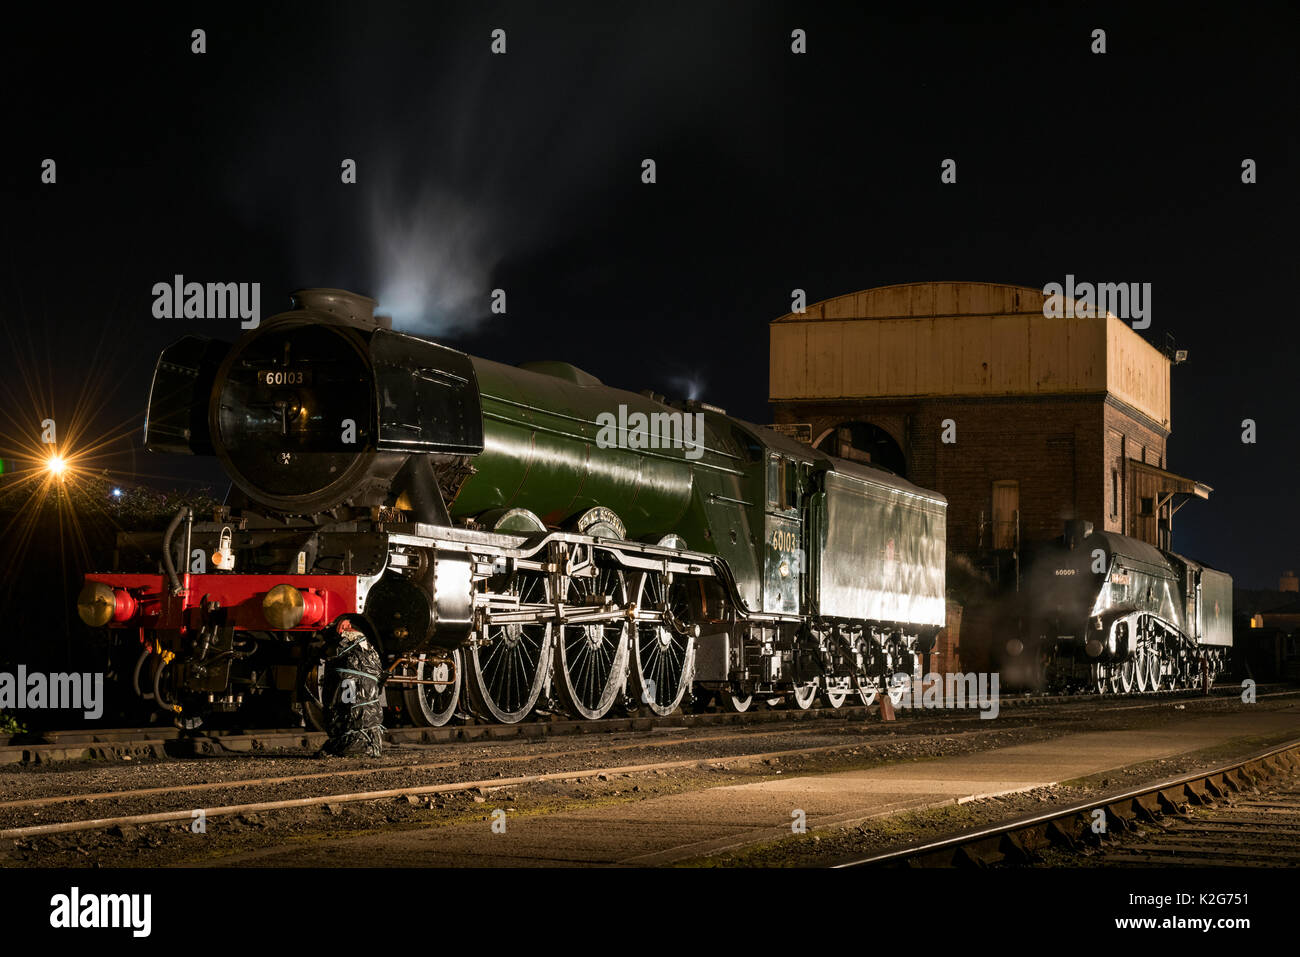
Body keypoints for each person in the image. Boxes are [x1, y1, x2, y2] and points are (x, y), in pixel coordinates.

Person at [317, 618, 384, 757]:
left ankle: (356, 740)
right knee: (349, 697)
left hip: (351, 669)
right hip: (354, 668)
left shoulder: (351, 647)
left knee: (347, 697)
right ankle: (360, 740)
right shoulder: (362, 650)